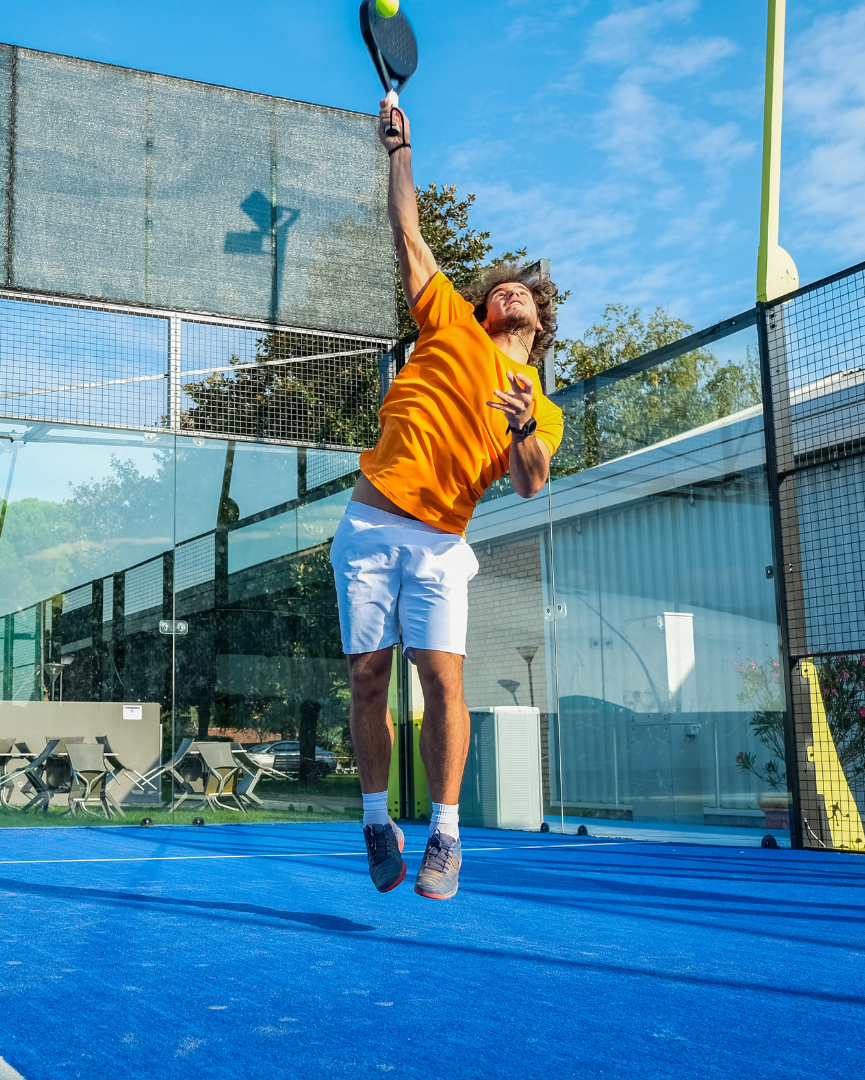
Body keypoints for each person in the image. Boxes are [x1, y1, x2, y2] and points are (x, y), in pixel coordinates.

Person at [332, 97, 564, 900]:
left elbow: (532, 480)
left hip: (440, 545)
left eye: (524, 295)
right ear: (482, 306)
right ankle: (372, 820)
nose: (511, 293)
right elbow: (409, 236)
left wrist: (524, 427)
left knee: (442, 682)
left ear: (539, 325)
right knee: (367, 678)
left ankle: (445, 835)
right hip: (367, 522)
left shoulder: (540, 401)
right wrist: (400, 147)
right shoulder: (447, 328)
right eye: (501, 288)